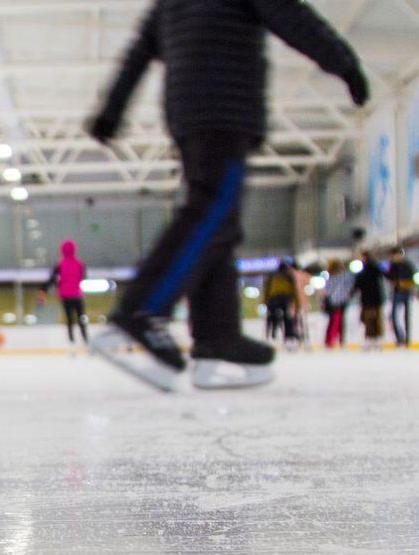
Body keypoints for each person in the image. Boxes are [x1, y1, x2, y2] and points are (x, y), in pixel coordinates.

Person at [86, 0, 368, 390]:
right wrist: (345, 64)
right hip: (224, 110)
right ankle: (143, 310)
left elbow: (139, 52)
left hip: (188, 115)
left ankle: (217, 337)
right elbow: (294, 19)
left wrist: (112, 109)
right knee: (211, 214)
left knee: (219, 225)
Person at [39, 239, 89, 345]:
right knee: (81, 317)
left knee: (69, 319)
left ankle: (72, 342)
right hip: (77, 295)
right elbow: (83, 277)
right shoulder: (79, 264)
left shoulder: (59, 265)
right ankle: (85, 340)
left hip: (65, 296)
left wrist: (44, 290)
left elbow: (52, 279)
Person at [354, 251, 386, 351]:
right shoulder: (376, 268)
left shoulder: (365, 271)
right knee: (374, 320)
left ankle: (372, 339)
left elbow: (357, 285)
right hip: (375, 299)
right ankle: (376, 340)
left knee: (370, 320)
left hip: (369, 299)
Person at [386, 246, 416, 348]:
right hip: (396, 292)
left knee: (406, 317)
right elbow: (389, 277)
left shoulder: (407, 265)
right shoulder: (392, 266)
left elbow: (413, 276)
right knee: (393, 316)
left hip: (406, 292)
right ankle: (400, 338)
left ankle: (407, 339)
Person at [322, 259, 354, 349]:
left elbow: (327, 290)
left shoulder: (330, 276)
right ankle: (340, 339)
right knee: (340, 321)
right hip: (342, 300)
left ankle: (330, 339)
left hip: (333, 301)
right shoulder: (346, 275)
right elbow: (349, 286)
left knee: (333, 321)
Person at [262, 263, 297, 343]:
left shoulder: (272, 276)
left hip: (273, 299)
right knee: (287, 317)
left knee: (272, 315)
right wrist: (294, 302)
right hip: (285, 298)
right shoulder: (289, 276)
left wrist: (265, 301)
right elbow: (293, 290)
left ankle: (272, 329)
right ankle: (289, 334)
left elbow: (267, 289)